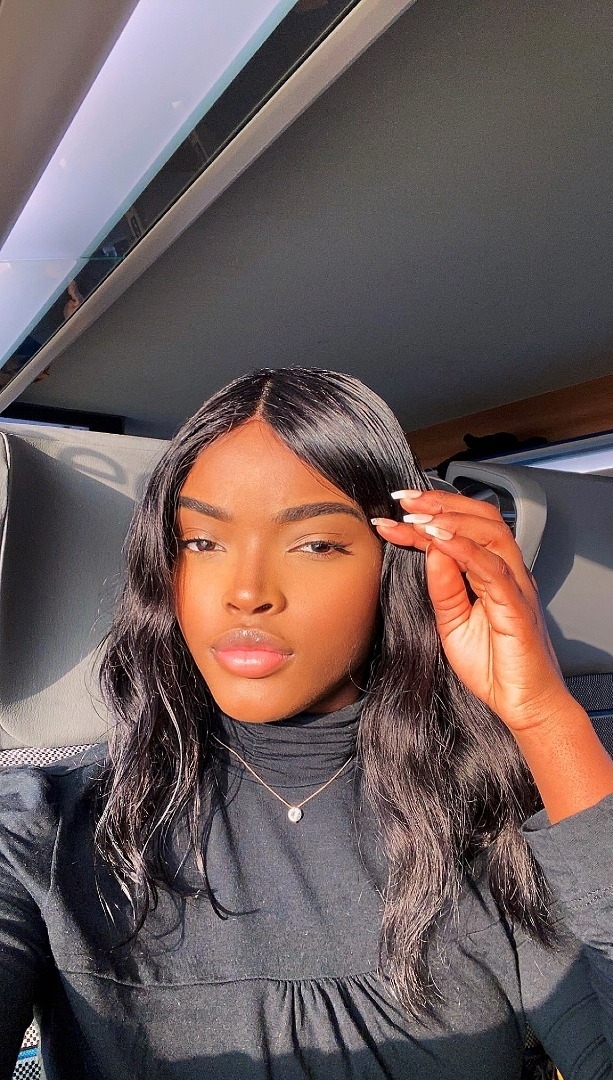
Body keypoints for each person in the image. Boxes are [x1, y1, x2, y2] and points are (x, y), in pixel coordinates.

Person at [0, 367, 612, 1080]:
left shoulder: (488, 822)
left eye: (315, 544)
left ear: (395, 566)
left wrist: (542, 712)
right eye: (202, 542)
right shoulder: (47, 829)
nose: (247, 592)